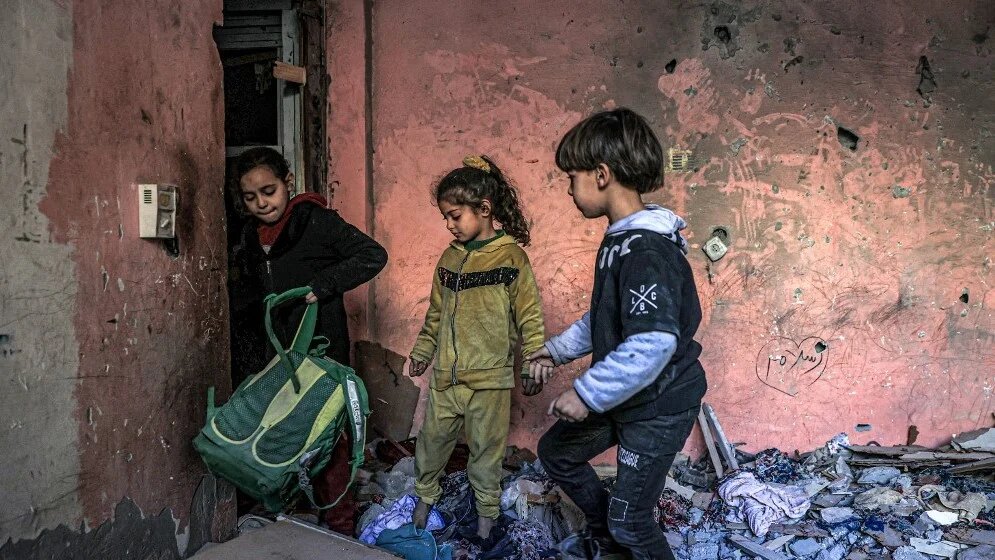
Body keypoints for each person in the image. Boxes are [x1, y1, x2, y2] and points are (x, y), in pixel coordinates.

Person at [527, 108, 707, 560]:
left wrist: (586, 394)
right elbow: (605, 317)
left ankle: (620, 534)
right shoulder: (619, 240)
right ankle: (607, 541)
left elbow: (654, 341)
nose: (569, 188)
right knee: (558, 452)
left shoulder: (646, 250)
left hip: (660, 404)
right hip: (628, 394)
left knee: (632, 519)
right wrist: (555, 352)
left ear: (602, 175)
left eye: (572, 176)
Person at [228, 146, 387, 534]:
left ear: (289, 184)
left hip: (321, 348)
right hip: (277, 353)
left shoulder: (315, 221)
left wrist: (323, 285)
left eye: (269, 191)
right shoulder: (251, 235)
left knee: (328, 431)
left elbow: (372, 255)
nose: (261, 203)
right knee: (283, 428)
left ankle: (339, 522)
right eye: (251, 197)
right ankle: (289, 508)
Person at [407, 155, 545, 547]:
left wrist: (533, 361)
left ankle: (486, 520)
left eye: (454, 216)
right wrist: (422, 349)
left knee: (486, 454)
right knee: (431, 444)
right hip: (446, 379)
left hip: (490, 381)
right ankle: (423, 501)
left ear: (484, 209)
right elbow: (436, 313)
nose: (449, 226)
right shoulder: (450, 258)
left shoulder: (511, 258)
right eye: (445, 218)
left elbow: (530, 316)